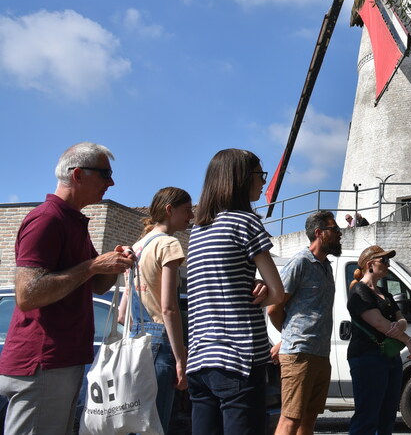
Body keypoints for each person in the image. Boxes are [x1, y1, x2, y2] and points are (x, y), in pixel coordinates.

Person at [0, 142, 136, 434]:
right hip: (43, 362)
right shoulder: (47, 219)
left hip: (60, 361)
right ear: (78, 175)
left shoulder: (72, 221)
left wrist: (114, 265)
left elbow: (97, 286)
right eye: (104, 174)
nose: (111, 183)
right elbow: (28, 295)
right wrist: (92, 266)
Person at [186, 148, 285, 434]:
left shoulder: (198, 231)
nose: (263, 182)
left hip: (200, 359)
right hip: (239, 358)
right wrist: (265, 289)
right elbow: (277, 292)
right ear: (241, 178)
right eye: (259, 175)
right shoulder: (246, 222)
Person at [121, 186, 194, 435]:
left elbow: (123, 313)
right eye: (187, 210)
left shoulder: (138, 246)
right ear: (169, 209)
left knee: (135, 422)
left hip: (134, 339)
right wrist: (181, 360)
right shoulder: (169, 244)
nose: (191, 216)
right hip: (159, 343)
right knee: (155, 425)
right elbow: (169, 308)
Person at [268, 210, 341, 435]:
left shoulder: (326, 266)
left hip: (320, 354)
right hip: (299, 354)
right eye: (335, 230)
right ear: (319, 233)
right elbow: (274, 307)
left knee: (309, 420)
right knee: (290, 419)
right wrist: (289, 336)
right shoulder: (300, 262)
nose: (340, 234)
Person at [348, 244, 411, 435]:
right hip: (367, 357)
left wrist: (401, 325)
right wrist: (408, 340)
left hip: (389, 357)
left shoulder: (384, 293)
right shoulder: (359, 291)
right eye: (384, 261)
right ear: (370, 265)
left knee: (387, 418)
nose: (388, 265)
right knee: (367, 417)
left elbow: (401, 317)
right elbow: (379, 323)